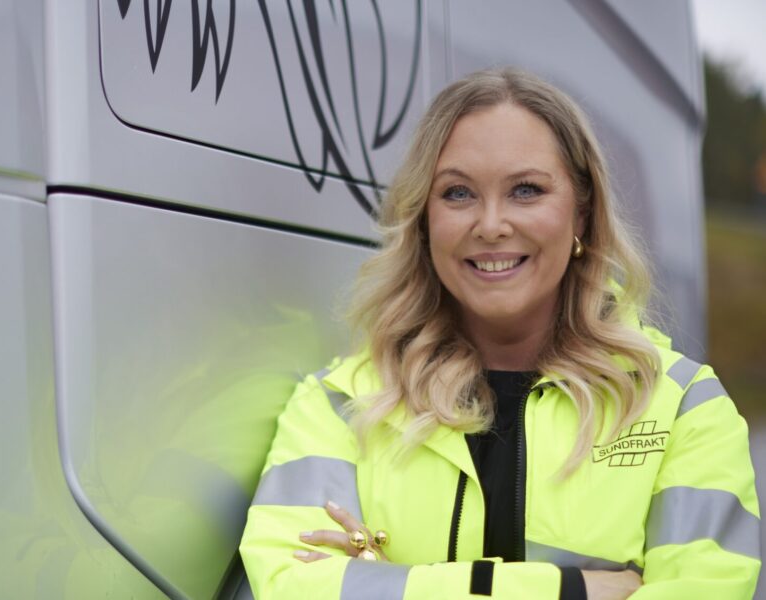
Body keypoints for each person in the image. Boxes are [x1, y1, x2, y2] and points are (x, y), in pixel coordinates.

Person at [239, 67, 760, 599]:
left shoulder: (683, 408)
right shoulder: (340, 406)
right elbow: (290, 587)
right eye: (458, 193)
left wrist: (387, 581)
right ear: (424, 218)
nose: (490, 225)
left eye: (526, 190)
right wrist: (577, 590)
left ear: (582, 213)